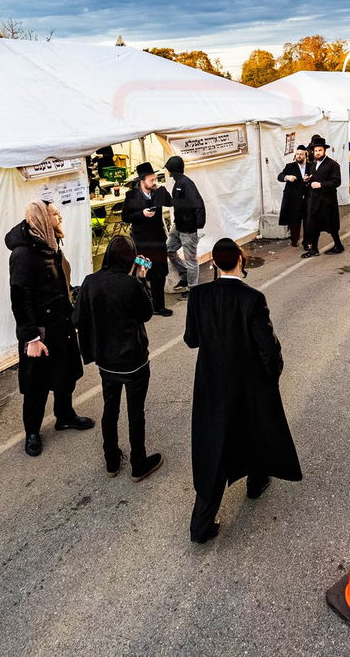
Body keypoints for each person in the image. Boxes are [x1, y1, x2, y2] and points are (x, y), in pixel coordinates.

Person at [183, 239, 302, 543]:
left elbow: (192, 340)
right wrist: (273, 372)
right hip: (247, 381)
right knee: (254, 430)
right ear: (240, 260)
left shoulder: (198, 296)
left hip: (211, 382)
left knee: (213, 443)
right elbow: (267, 346)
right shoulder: (253, 299)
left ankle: (202, 522)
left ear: (214, 265)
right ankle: (256, 482)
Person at [7, 201, 93, 456]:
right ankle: (32, 432)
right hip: (40, 333)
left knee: (65, 375)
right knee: (37, 385)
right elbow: (19, 300)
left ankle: (65, 416)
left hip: (61, 324)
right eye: (55, 214)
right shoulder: (23, 254)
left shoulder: (50, 245)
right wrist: (31, 338)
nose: (60, 217)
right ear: (43, 219)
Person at [74, 235, 163, 481]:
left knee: (109, 408)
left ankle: (111, 460)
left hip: (105, 360)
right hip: (133, 360)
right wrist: (142, 279)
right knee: (136, 412)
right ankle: (138, 462)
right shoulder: (131, 284)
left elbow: (77, 317)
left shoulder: (90, 282)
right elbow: (146, 313)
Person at [121, 162, 174, 316]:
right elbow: (125, 217)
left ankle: (159, 306)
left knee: (160, 272)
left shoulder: (158, 192)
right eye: (152, 180)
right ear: (142, 181)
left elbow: (170, 203)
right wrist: (141, 214)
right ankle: (141, 304)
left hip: (158, 241)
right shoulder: (131, 196)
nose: (154, 182)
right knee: (142, 272)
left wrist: (162, 190)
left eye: (155, 179)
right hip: (142, 243)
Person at [164, 155, 207, 294]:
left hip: (188, 229)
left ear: (172, 170)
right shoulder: (178, 183)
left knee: (191, 260)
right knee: (169, 249)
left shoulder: (186, 184)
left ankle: (192, 288)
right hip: (178, 226)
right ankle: (184, 274)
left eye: (168, 169)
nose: (167, 172)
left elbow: (198, 204)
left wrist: (198, 224)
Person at [301, 135, 343, 257]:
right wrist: (307, 179)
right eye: (315, 151)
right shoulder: (313, 165)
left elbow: (337, 182)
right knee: (314, 224)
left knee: (331, 225)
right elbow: (313, 178)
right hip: (314, 200)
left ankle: (338, 245)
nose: (317, 153)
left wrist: (320, 184)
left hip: (327, 200)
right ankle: (314, 249)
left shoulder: (333, 164)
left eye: (320, 150)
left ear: (324, 151)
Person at [276, 145, 312, 247]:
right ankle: (294, 240)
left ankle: (307, 242)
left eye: (301, 154)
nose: (299, 156)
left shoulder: (311, 166)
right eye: (297, 154)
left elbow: (316, 177)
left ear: (306, 155)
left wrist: (309, 179)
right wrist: (287, 177)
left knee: (307, 221)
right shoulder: (290, 166)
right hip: (293, 199)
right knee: (294, 221)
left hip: (307, 198)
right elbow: (280, 176)